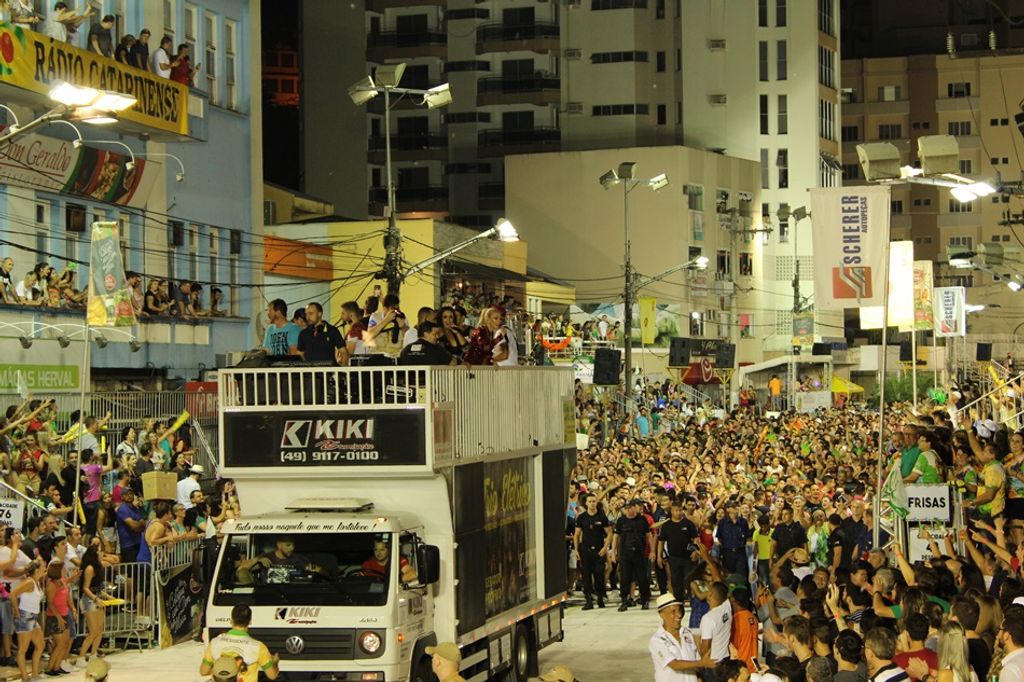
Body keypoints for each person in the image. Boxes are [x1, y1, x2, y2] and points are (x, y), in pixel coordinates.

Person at [200, 604, 280, 682]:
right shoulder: (258, 647)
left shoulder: (215, 642)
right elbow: (272, 675)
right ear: (250, 622)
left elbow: (203, 672)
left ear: (231, 620)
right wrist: (275, 662)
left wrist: (221, 671)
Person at [649, 593, 712, 682]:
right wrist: (700, 663)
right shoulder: (657, 640)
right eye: (673, 611)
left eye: (679, 610)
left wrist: (700, 672)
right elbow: (674, 664)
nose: (679, 615)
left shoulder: (687, 633)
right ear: (662, 615)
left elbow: (696, 660)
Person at [613, 498, 653, 611]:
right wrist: (614, 552)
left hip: (639, 553)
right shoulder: (621, 520)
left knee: (642, 578)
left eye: (630, 507)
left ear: (635, 508)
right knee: (625, 578)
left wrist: (652, 551)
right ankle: (624, 601)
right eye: (626, 508)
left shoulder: (642, 520)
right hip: (625, 553)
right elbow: (616, 536)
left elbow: (648, 536)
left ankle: (645, 600)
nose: (628, 510)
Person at [574, 492, 612, 610]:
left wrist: (605, 548)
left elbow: (609, 533)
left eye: (594, 501)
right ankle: (589, 600)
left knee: (599, 574)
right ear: (586, 503)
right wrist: (576, 550)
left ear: (597, 502)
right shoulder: (582, 517)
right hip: (585, 550)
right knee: (586, 576)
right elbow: (576, 535)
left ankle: (600, 598)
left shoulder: (602, 517)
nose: (592, 504)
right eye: (589, 501)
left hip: (599, 550)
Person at [10, 559, 44, 682]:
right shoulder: (30, 582)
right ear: (36, 570)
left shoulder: (36, 582)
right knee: (23, 649)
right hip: (25, 616)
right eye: (42, 567)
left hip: (33, 617)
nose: (44, 568)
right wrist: (16, 611)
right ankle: (25, 677)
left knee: (40, 645)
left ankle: (34, 674)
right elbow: (13, 594)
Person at [44, 561, 73, 677]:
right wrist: (59, 617)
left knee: (65, 642)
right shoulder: (51, 585)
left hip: (64, 614)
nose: (65, 570)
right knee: (59, 644)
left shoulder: (62, 581)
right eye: (63, 569)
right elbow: (50, 603)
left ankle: (57, 666)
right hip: (55, 617)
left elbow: (67, 588)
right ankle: (50, 667)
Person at [699, 582, 733, 664]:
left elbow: (705, 648)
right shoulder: (727, 607)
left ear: (710, 595)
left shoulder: (708, 618)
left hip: (713, 662)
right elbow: (722, 590)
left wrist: (700, 664)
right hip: (726, 658)